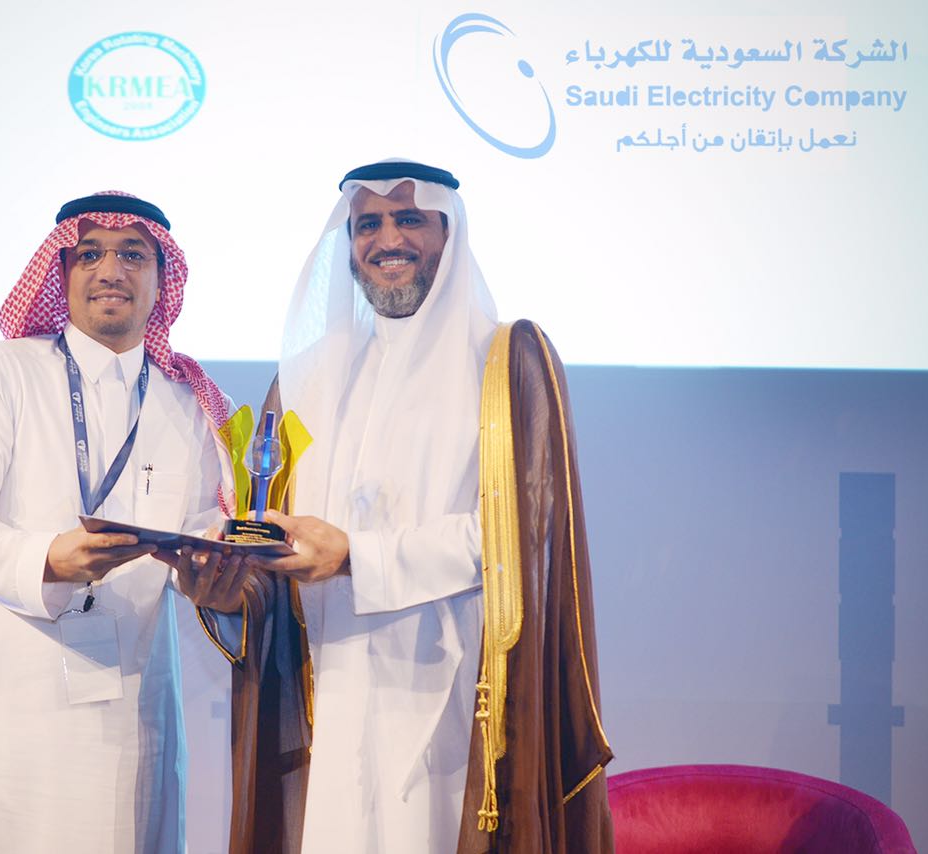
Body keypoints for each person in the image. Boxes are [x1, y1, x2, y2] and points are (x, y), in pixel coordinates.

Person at [186, 161, 614, 853]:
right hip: (334, 685)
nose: (388, 240)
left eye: (409, 219)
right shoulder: (309, 379)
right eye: (368, 225)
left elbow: (522, 535)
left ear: (449, 233)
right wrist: (227, 584)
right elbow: (276, 543)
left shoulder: (505, 361)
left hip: (455, 693)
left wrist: (357, 557)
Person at [0, 192, 248, 854]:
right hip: (10, 694)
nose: (110, 271)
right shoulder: (2, 371)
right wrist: (48, 560)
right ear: (61, 273)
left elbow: (206, 536)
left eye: (132, 255)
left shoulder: (192, 404)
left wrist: (213, 578)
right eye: (89, 254)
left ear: (162, 280)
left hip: (133, 703)